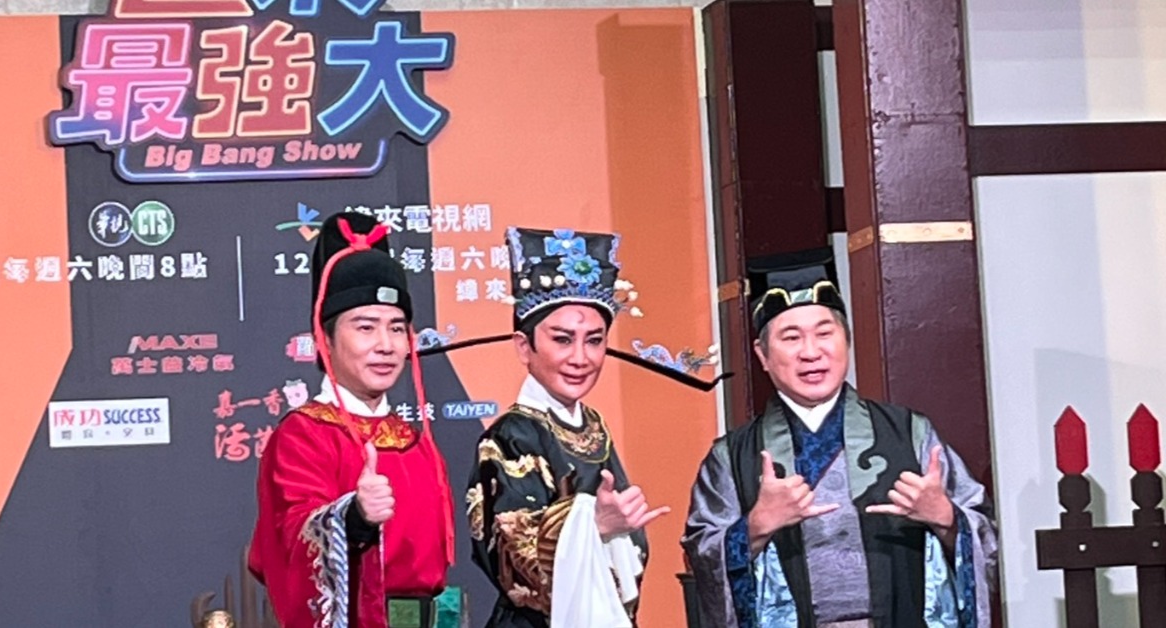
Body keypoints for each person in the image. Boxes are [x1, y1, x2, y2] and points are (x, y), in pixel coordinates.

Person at [418, 227, 729, 628]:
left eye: (594, 341)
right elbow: (510, 556)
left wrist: (614, 530)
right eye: (563, 340)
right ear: (524, 346)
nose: (580, 358)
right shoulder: (510, 436)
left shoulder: (594, 426)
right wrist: (594, 526)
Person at [681, 248, 998, 628]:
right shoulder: (732, 456)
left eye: (824, 333)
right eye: (791, 337)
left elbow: (986, 542)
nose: (811, 352)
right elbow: (701, 556)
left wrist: (946, 517)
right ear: (762, 355)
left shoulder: (909, 433)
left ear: (846, 340)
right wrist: (755, 527)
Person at [249, 212, 454, 628]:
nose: (385, 345)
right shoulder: (304, 434)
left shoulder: (414, 440)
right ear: (324, 339)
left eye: (397, 329)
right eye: (365, 328)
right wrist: (353, 519)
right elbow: (288, 540)